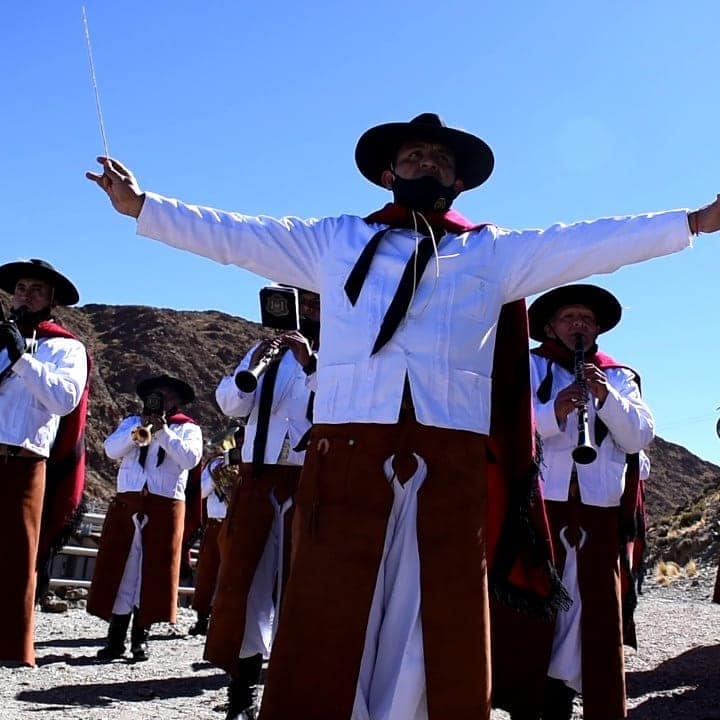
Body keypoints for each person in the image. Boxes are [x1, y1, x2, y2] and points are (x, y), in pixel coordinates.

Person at [86, 112, 720, 720]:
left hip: (452, 460)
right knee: (332, 598)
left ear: (459, 181)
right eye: (413, 156)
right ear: (388, 174)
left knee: (436, 606)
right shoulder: (335, 242)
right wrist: (146, 207)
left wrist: (692, 222)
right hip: (346, 455)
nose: (426, 163)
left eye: (440, 160)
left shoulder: (491, 253)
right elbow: (238, 236)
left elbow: (588, 243)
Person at [527, 284, 654, 719]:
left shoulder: (619, 377)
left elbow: (638, 435)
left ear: (598, 328)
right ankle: (545, 705)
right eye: (569, 318)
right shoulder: (528, 366)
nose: (579, 325)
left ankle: (601, 705)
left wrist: (604, 397)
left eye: (586, 319)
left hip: (600, 511)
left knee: (598, 617)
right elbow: (507, 426)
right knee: (543, 615)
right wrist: (553, 412)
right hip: (545, 507)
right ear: (549, 327)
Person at [204, 288, 319, 720]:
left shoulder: (342, 351)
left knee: (302, 581)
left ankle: (295, 685)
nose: (307, 310)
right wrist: (252, 366)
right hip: (259, 476)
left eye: (315, 303)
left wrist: (310, 363)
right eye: (302, 303)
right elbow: (230, 404)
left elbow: (342, 404)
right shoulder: (261, 349)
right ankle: (243, 690)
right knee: (246, 580)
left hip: (310, 479)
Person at [0, 258, 89, 667]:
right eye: (20, 287)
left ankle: (11, 647)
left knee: (18, 557)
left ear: (52, 299)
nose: (26, 295)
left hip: (24, 462)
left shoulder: (67, 347)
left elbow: (64, 398)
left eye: (36, 289)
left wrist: (22, 358)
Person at [87, 373, 203, 661]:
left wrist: (163, 433)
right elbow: (111, 449)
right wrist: (140, 429)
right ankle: (115, 639)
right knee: (122, 567)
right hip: (130, 501)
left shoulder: (188, 430)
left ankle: (141, 637)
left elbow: (189, 459)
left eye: (165, 396)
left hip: (164, 504)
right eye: (155, 395)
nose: (159, 401)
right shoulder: (131, 423)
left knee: (153, 571)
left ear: (175, 401)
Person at [188, 424, 243, 637]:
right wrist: (218, 472)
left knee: (230, 575)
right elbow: (200, 493)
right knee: (207, 573)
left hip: (235, 525)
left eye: (240, 441)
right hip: (214, 524)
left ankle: (224, 620)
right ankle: (202, 619)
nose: (237, 444)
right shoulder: (215, 465)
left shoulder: (249, 466)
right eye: (234, 440)